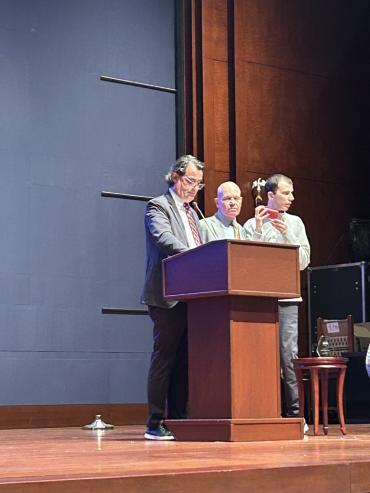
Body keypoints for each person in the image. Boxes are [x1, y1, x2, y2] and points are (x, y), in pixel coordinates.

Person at [141, 154, 205, 440]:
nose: (194, 188)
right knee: (165, 358)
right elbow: (164, 239)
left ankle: (179, 419)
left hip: (193, 296)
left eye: (199, 184)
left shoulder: (195, 213)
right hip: (167, 295)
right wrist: (195, 257)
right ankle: (155, 423)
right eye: (191, 181)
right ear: (176, 176)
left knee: (184, 361)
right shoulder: (158, 206)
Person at [243, 174, 310, 422]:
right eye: (286, 193)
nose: (291, 198)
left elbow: (303, 262)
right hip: (259, 301)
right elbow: (247, 263)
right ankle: (263, 411)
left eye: (292, 193)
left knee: (288, 355)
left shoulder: (296, 223)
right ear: (270, 195)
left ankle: (294, 415)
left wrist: (288, 237)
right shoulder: (251, 224)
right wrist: (260, 231)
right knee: (260, 355)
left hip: (287, 299)